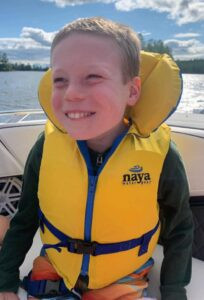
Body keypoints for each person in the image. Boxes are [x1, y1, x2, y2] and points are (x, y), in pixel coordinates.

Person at [0, 17, 193, 300]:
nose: (72, 94)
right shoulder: (46, 146)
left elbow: (180, 228)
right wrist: (5, 283)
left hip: (124, 276)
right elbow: (25, 218)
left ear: (133, 90)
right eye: (60, 80)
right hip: (56, 269)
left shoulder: (162, 155)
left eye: (94, 77)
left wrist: (174, 291)